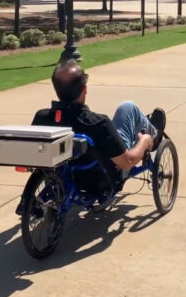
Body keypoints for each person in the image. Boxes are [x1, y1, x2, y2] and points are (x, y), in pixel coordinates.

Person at [31, 60, 167, 197]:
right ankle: (154, 135)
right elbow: (127, 162)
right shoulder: (98, 123)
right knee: (127, 107)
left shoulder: (42, 118)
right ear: (84, 90)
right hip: (105, 178)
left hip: (67, 173)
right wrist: (143, 141)